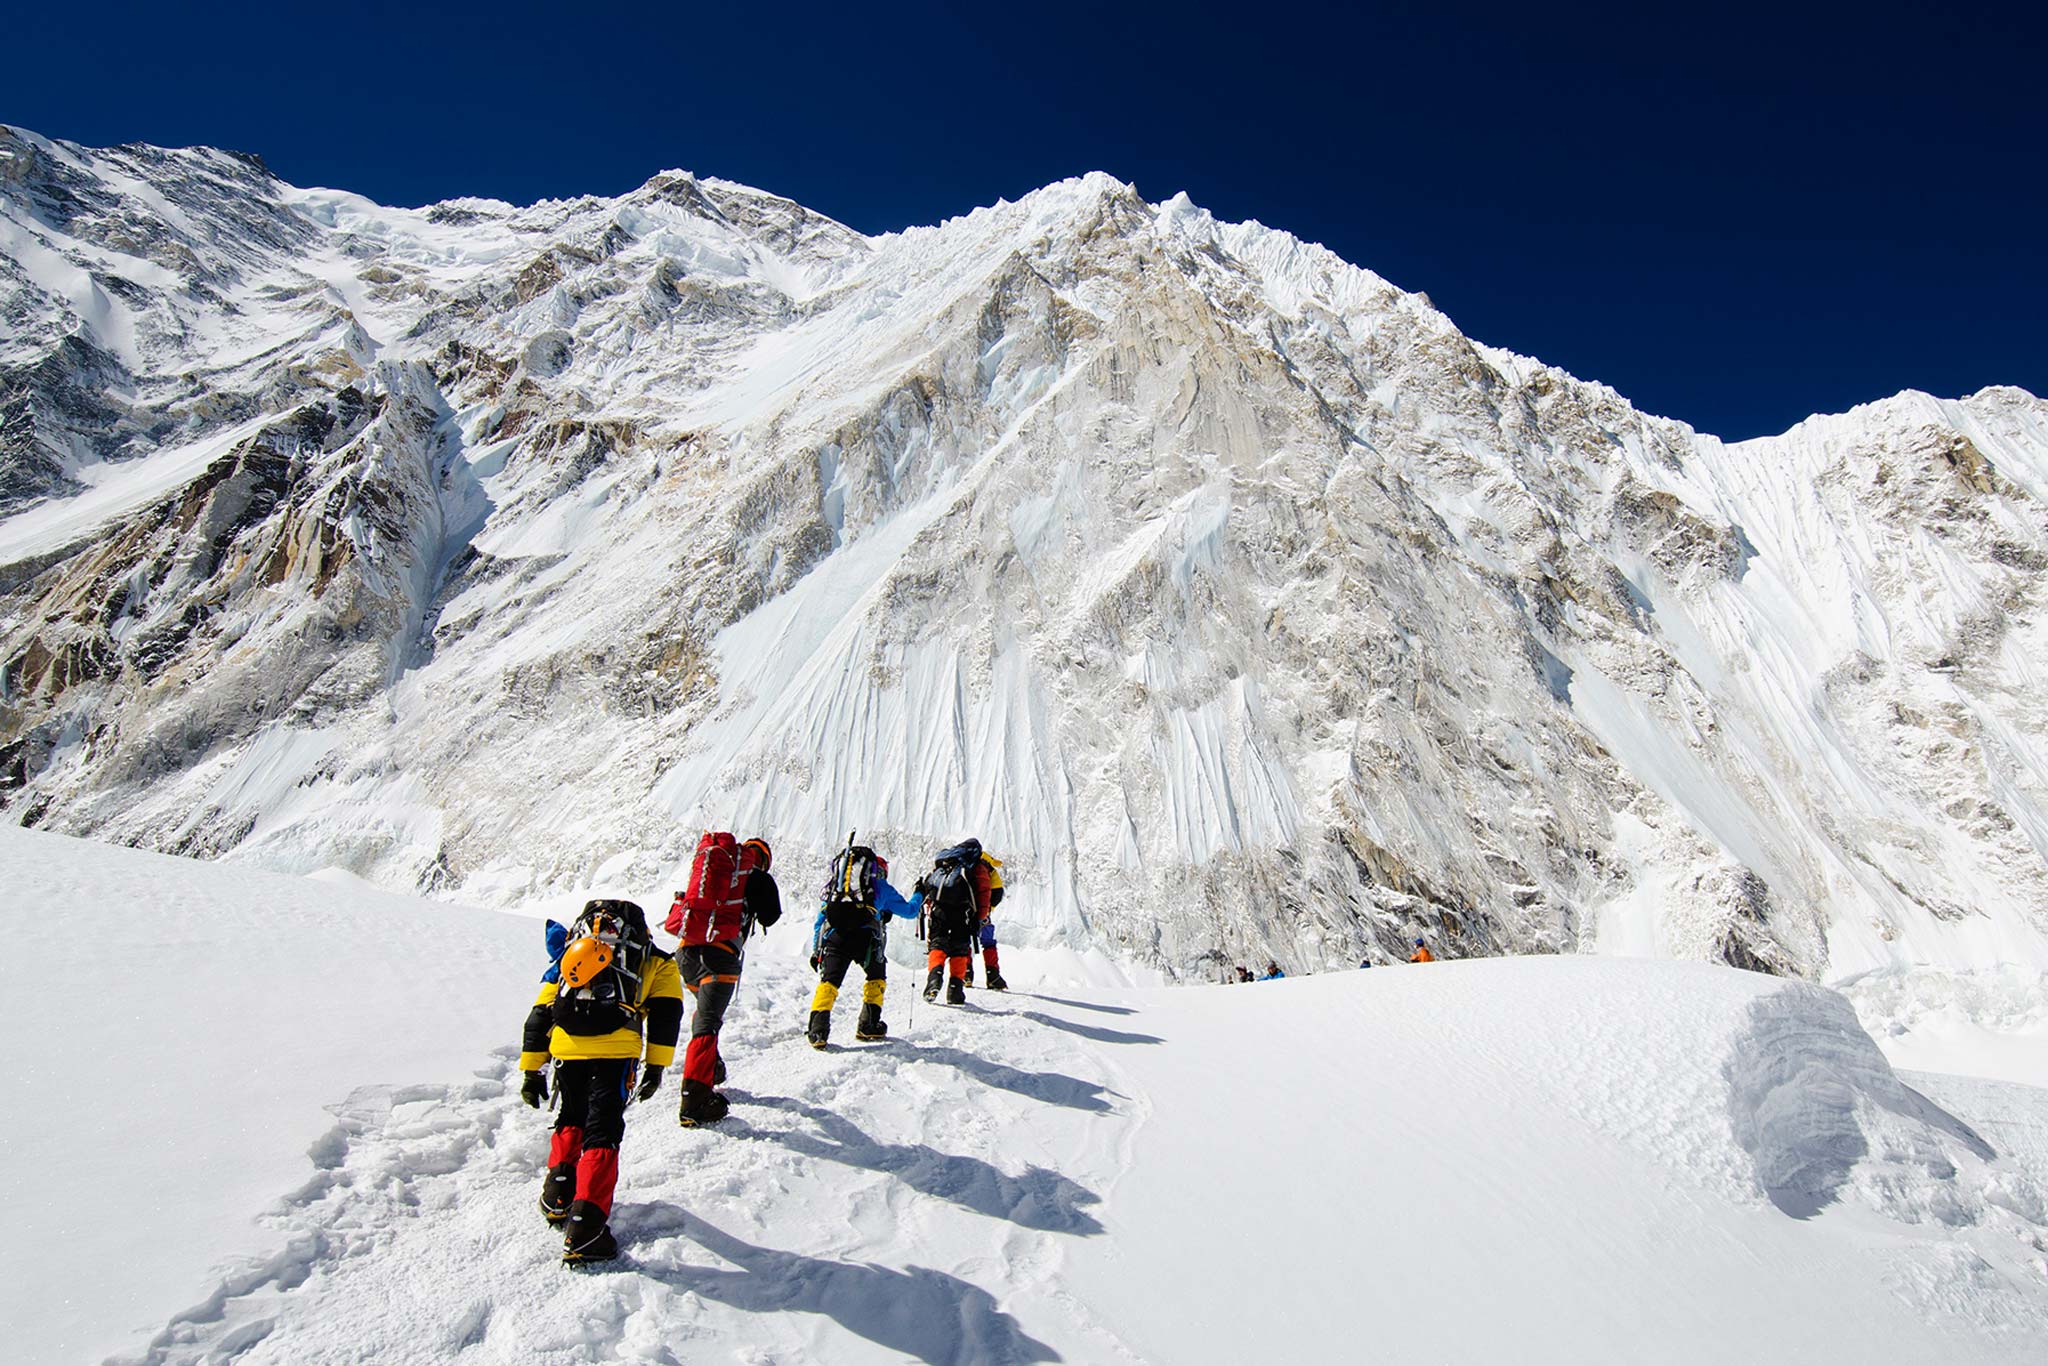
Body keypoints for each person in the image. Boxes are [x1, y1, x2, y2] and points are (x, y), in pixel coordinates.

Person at [519, 898, 683, 1263]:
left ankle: (558, 1195)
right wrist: (656, 1067)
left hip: (566, 1045)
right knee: (603, 1130)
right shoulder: (655, 961)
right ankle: (586, 1228)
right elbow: (666, 1016)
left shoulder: (571, 954)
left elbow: (538, 1016)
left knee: (571, 1116)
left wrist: (532, 1070)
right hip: (616, 1050)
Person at [666, 837, 780, 1126]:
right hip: (721, 958)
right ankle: (695, 1098)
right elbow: (772, 915)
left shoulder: (719, 871)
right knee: (707, 1021)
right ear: (763, 859)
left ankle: (712, 1068)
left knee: (704, 1013)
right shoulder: (758, 878)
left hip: (687, 955)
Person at [807, 840, 920, 1047]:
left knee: (829, 983)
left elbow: (820, 921)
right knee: (876, 977)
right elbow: (910, 911)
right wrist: (920, 893)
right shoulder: (881, 888)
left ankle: (817, 1031)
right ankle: (868, 1025)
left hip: (835, 937)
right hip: (866, 940)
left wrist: (816, 951)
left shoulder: (837, 888)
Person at [920, 839, 985, 1004]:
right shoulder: (974, 866)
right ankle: (955, 990)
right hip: (961, 912)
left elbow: (930, 887)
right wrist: (979, 918)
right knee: (960, 949)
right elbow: (983, 894)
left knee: (937, 944)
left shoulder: (945, 863)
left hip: (938, 911)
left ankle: (934, 978)